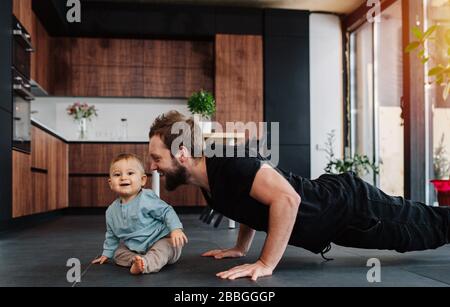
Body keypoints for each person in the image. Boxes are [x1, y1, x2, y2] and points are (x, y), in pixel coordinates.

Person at [147, 110, 450, 281]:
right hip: (339, 224)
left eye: (156, 158)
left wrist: (265, 263)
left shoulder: (228, 162)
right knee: (422, 232)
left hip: (351, 206)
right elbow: (247, 205)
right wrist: (240, 248)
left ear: (181, 153)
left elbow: (286, 199)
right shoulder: (209, 181)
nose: (152, 167)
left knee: (429, 229)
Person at [92, 153, 188, 275]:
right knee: (118, 253)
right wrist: (106, 253)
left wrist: (176, 229)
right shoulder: (111, 212)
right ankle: (137, 261)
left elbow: (166, 211)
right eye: (117, 174)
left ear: (142, 180)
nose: (123, 177)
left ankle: (145, 264)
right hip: (137, 249)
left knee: (163, 249)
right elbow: (112, 235)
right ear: (111, 183)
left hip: (162, 240)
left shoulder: (146, 198)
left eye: (130, 173)